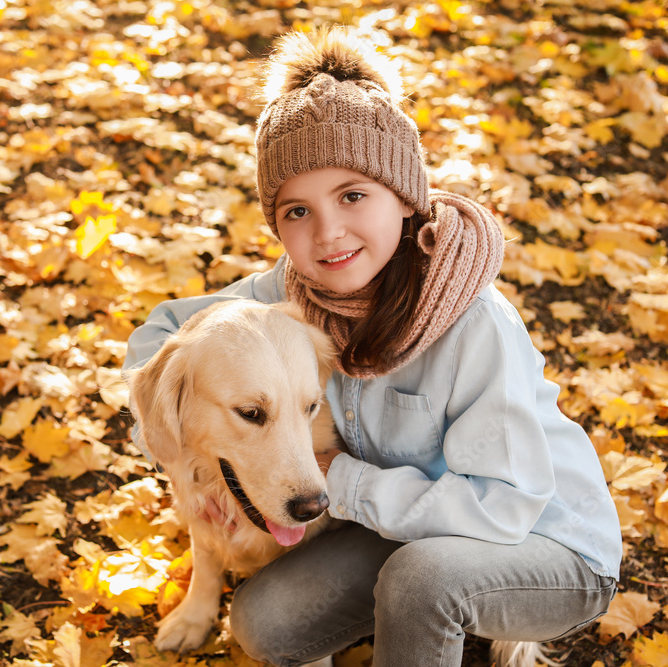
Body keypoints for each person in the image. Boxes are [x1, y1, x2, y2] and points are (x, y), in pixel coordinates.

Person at [122, 25, 621, 667]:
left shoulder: (476, 324)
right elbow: (165, 331)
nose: (328, 232)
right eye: (295, 211)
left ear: (405, 198)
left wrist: (343, 480)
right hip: (405, 525)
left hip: (541, 543)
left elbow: (503, 510)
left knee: (423, 581)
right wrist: (174, 426)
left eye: (353, 195)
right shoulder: (294, 291)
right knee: (268, 626)